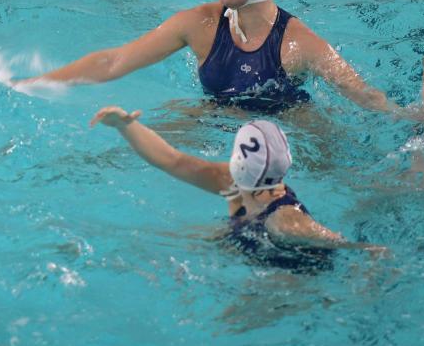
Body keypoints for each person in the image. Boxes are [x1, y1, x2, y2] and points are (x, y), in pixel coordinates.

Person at [21, 0, 391, 112]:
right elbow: (115, 61)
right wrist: (37, 83)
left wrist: (413, 118)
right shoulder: (199, 24)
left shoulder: (299, 44)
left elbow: (365, 96)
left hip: (288, 123)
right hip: (215, 115)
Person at [90, 106, 385, 261]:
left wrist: (370, 271)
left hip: (291, 275)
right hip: (245, 239)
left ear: (240, 165)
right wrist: (124, 125)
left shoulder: (287, 222)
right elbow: (172, 160)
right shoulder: (232, 182)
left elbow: (357, 247)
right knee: (148, 245)